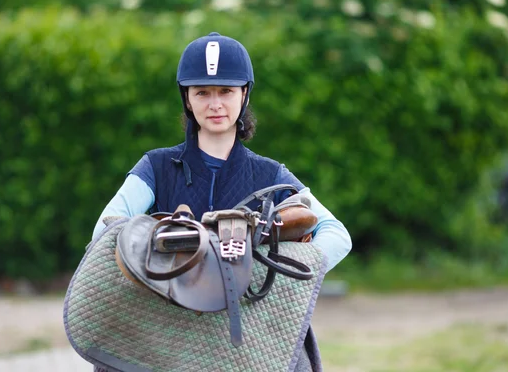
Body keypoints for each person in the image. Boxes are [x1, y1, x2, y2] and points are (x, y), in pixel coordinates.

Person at [91, 32, 352, 371]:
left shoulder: (270, 174)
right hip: (167, 325)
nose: (215, 104)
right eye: (202, 92)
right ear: (187, 99)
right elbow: (105, 229)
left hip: (246, 328)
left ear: (244, 94)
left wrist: (261, 267)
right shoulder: (155, 167)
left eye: (226, 91)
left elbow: (336, 234)